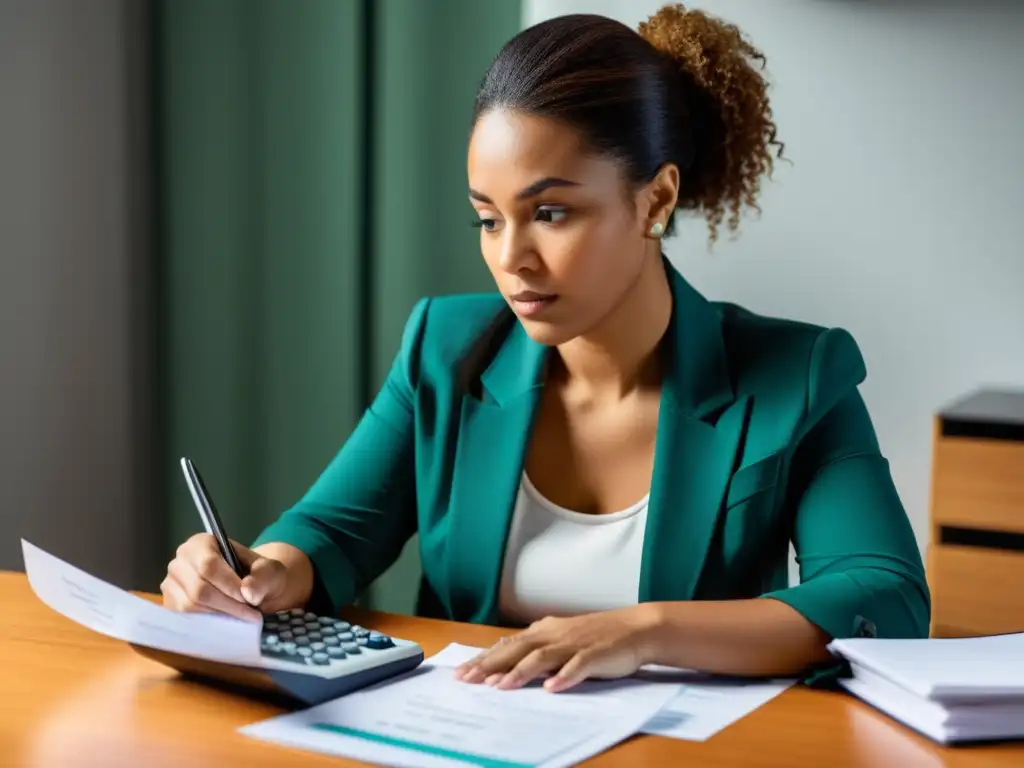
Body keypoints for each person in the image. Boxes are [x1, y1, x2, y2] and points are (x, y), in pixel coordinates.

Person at [162, 3, 929, 693]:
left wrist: (642, 632)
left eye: (552, 213)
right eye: (488, 219)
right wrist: (263, 572)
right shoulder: (446, 347)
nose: (512, 259)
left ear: (655, 200)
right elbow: (333, 531)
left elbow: (883, 595)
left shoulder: (795, 376)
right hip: (466, 736)